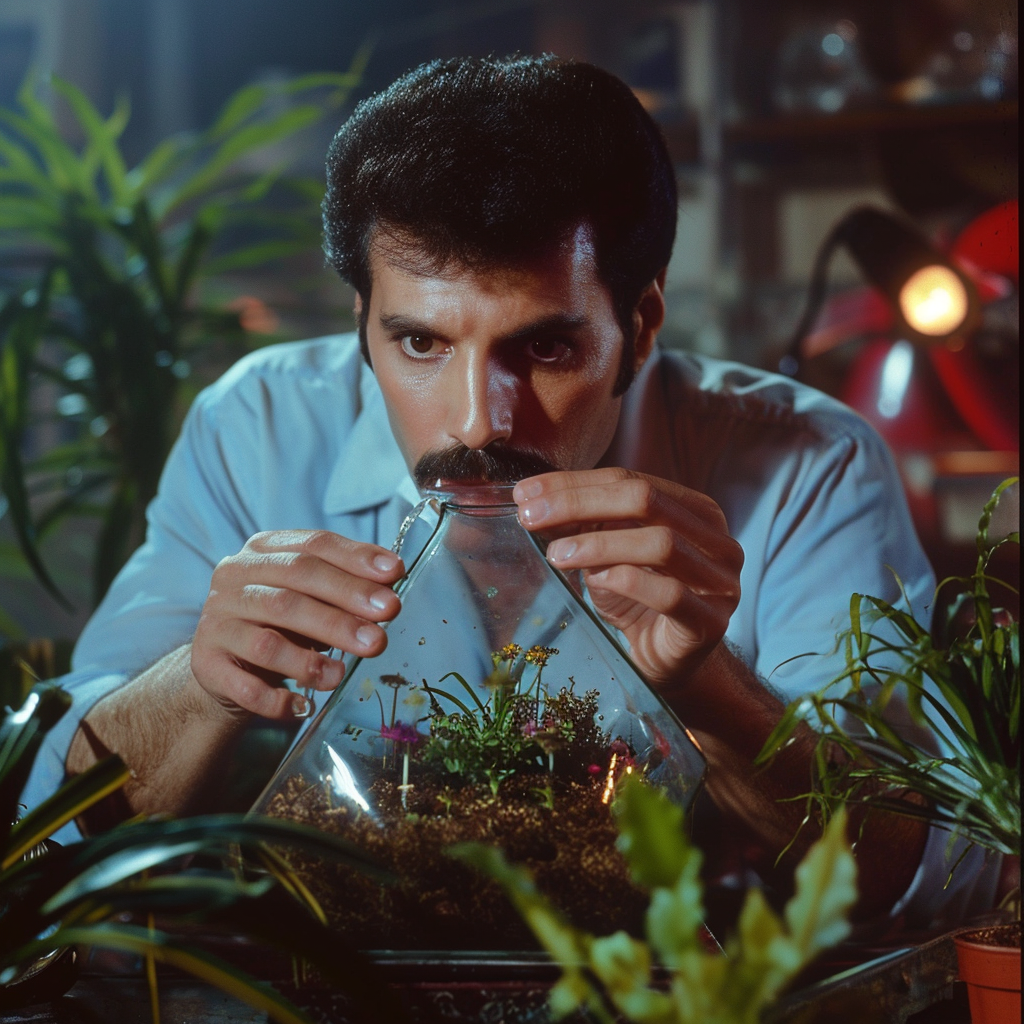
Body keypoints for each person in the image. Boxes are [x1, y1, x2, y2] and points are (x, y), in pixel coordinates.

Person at [23, 54, 997, 928]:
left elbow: (942, 873)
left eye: (543, 347)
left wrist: (712, 689)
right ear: (360, 318)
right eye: (418, 342)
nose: (478, 421)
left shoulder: (804, 463)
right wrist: (200, 682)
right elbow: (41, 823)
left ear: (641, 322)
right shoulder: (261, 428)